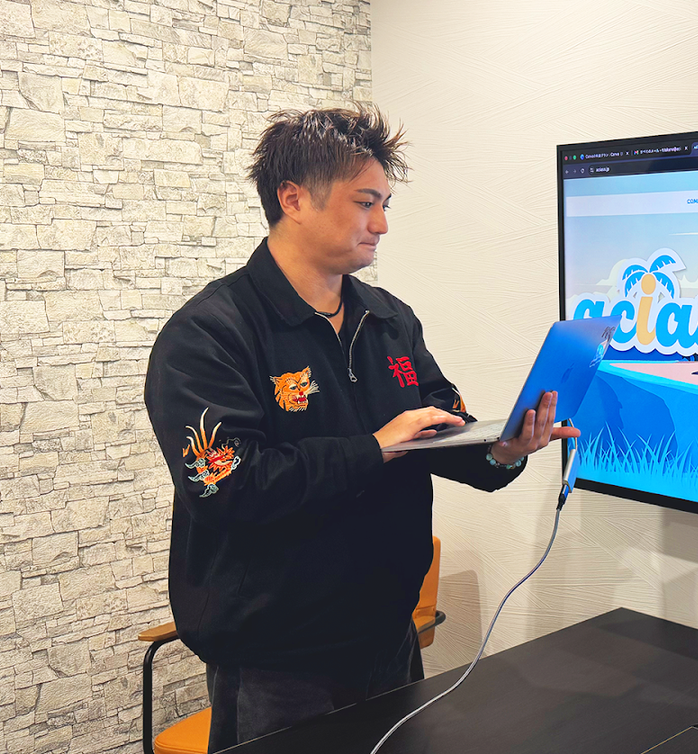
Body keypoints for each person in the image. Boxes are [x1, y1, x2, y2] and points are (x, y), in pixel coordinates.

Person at [143, 105, 577, 752]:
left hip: (389, 637)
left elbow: (435, 429)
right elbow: (230, 488)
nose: (381, 224)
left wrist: (504, 449)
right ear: (293, 198)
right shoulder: (209, 334)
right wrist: (374, 447)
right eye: (365, 203)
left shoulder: (389, 319)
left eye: (386, 204)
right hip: (275, 662)